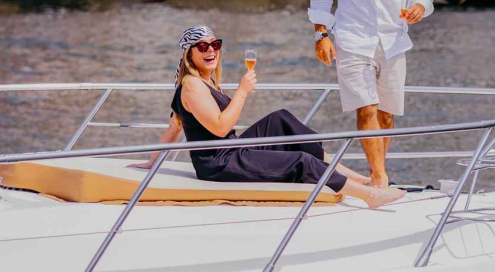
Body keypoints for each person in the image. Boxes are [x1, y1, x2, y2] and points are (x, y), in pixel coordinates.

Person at [147, 27, 403, 208]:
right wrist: (242, 92)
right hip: (218, 164)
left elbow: (174, 128)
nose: (211, 50)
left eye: (215, 44)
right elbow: (220, 127)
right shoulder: (192, 85)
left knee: (282, 120)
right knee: (302, 161)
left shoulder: (206, 82)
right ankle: (368, 196)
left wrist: (150, 163)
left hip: (231, 150)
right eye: (202, 46)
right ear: (189, 54)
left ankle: (356, 178)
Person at [309, 0, 435, 191]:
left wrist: (420, 6)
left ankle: (377, 171)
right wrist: (321, 34)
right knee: (366, 109)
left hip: (393, 41)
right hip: (352, 38)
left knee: (386, 115)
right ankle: (379, 180)